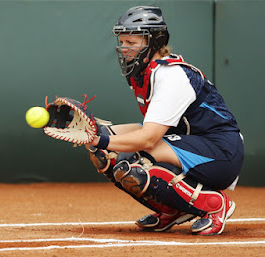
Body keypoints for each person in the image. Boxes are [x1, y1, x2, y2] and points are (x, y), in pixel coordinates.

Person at [86, 6, 244, 235]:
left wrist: (101, 139)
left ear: (154, 42)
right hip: (190, 144)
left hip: (221, 152)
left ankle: (214, 205)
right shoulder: (143, 73)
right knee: (104, 153)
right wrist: (93, 132)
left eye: (131, 43)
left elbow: (149, 139)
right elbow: (146, 129)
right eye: (122, 43)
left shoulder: (171, 76)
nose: (124, 49)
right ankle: (173, 209)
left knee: (134, 156)